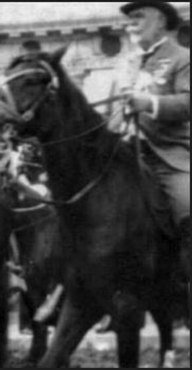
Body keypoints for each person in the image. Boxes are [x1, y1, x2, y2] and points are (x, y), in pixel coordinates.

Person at [100, 0, 191, 333]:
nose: (132, 23)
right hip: (127, 156)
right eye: (130, 18)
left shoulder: (182, 58)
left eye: (139, 16)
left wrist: (147, 103)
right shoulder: (126, 64)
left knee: (188, 211)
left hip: (171, 157)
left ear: (160, 20)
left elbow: (187, 102)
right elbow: (111, 115)